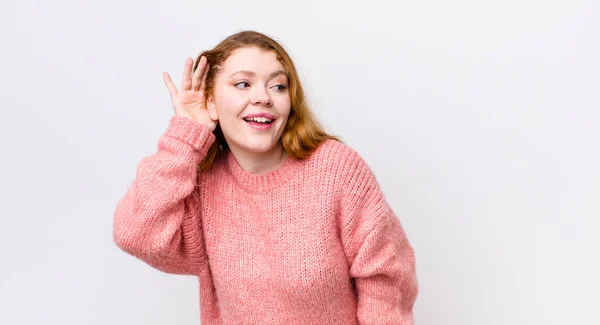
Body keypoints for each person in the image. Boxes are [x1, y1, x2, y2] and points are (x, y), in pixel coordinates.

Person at [113, 30, 418, 324]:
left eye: (278, 86)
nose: (263, 97)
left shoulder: (336, 170)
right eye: (243, 84)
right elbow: (136, 234)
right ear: (210, 103)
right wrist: (185, 137)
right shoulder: (204, 187)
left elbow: (386, 279)